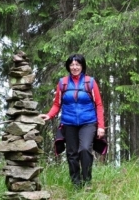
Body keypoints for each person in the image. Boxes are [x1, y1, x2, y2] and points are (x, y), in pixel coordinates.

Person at [40, 54, 106, 189]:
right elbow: (57, 104)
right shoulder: (62, 83)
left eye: (77, 64)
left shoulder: (90, 82)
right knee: (72, 153)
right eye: (72, 65)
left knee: (85, 149)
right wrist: (49, 115)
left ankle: (87, 181)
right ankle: (76, 183)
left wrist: (101, 126)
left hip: (88, 122)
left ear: (82, 66)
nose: (75, 67)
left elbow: (99, 105)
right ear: (68, 66)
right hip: (69, 123)